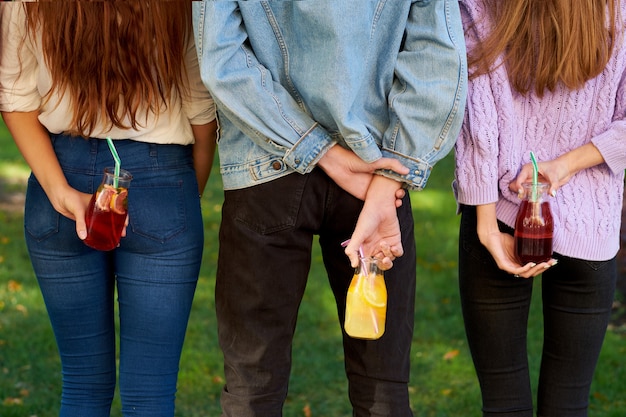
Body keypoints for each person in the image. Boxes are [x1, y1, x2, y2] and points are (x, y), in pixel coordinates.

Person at [193, 1, 467, 416]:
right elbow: (437, 54)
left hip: (266, 163)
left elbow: (222, 57)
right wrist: (392, 173)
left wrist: (320, 152)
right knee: (382, 387)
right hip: (374, 170)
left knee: (253, 388)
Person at [0, 2, 217, 416]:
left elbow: (13, 97)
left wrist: (58, 189)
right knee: (149, 397)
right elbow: (202, 115)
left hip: (58, 174)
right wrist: (186, 194)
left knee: (82, 385)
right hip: (160, 180)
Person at [454, 0, 626, 415]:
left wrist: (484, 223)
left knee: (503, 401)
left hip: (502, 219)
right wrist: (565, 166)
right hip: (593, 222)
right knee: (569, 403)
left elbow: (476, 120)